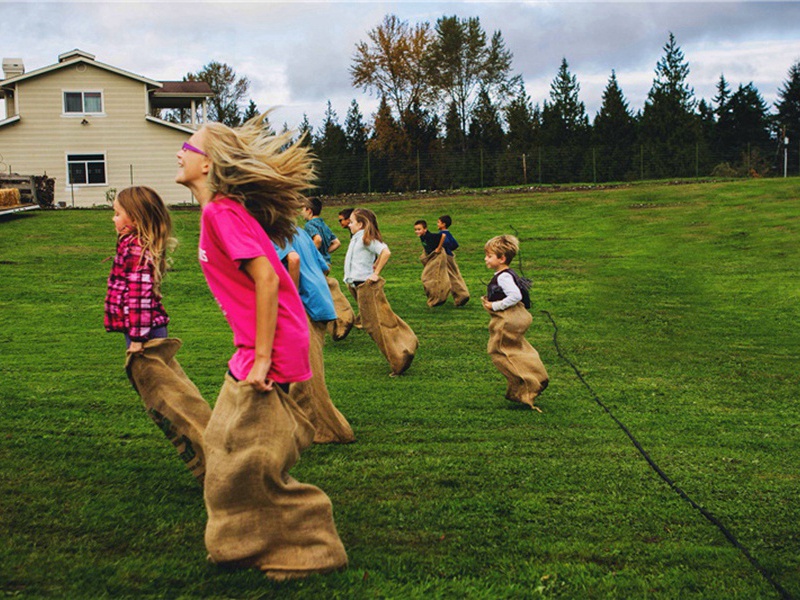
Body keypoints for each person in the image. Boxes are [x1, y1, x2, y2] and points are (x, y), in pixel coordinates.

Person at [175, 115, 347, 579]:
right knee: (224, 446)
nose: (180, 151)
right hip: (253, 346)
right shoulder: (222, 211)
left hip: (270, 348)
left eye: (187, 146)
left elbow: (268, 278)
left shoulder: (221, 213)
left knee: (246, 459)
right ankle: (249, 540)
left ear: (207, 163)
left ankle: (311, 546)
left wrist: (265, 357)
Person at [273, 225, 355, 443]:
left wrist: (291, 298)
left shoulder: (274, 232)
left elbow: (293, 260)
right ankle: (299, 421)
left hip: (303, 306)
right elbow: (324, 267)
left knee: (306, 371)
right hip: (319, 302)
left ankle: (328, 429)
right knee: (306, 365)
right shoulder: (297, 230)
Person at [344, 208, 418, 376]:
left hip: (365, 286)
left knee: (375, 324)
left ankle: (399, 358)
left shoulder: (365, 238)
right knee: (376, 321)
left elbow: (385, 252)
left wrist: (376, 272)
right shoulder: (357, 239)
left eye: (352, 222)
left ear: (361, 224)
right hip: (356, 285)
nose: (349, 224)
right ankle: (404, 348)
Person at [481, 235, 549, 412]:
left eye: (489, 256)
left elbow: (515, 295)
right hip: (513, 318)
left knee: (498, 351)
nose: (485, 259)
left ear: (501, 258)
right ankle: (533, 377)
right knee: (515, 349)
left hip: (508, 319)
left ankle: (528, 384)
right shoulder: (506, 274)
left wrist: (495, 305)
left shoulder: (503, 277)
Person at [104, 186, 173, 351]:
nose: (113, 219)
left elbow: (139, 295)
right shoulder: (130, 245)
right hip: (141, 328)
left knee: (148, 376)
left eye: (117, 214)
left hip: (145, 332)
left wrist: (137, 339)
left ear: (135, 219)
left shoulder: (136, 250)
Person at [436, 215, 470, 306]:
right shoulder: (448, 233)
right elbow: (455, 244)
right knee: (456, 275)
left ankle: (462, 295)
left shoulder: (442, 234)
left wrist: (442, 248)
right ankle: (460, 295)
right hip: (450, 256)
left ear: (443, 224)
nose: (437, 224)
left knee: (450, 276)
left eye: (438, 222)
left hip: (445, 257)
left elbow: (445, 242)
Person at [302, 197, 340, 266]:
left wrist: (308, 254)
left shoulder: (309, 225)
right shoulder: (324, 225)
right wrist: (324, 253)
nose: (302, 212)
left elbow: (318, 240)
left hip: (317, 263)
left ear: (309, 211)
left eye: (303, 209)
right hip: (327, 263)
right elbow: (336, 243)